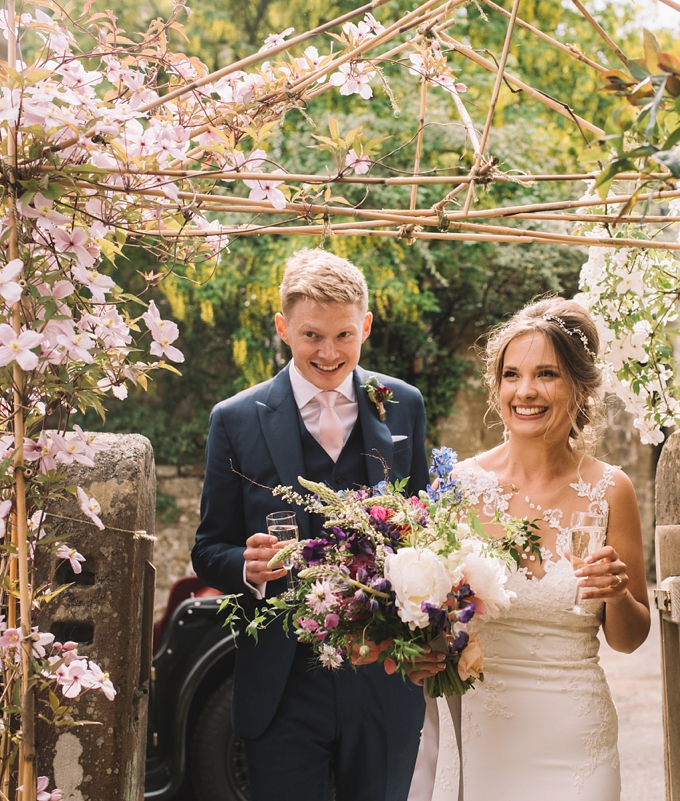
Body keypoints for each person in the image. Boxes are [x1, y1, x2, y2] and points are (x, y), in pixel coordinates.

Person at [191, 248, 430, 801]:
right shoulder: (235, 418)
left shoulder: (404, 406)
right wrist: (247, 567)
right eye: (311, 336)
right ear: (282, 328)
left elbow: (424, 526)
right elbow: (208, 549)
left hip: (383, 675)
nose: (328, 352)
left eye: (344, 335)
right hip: (283, 680)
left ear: (366, 325)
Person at [413, 297, 652, 800]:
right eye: (511, 375)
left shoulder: (613, 490)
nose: (525, 391)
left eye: (547, 374)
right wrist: (421, 655)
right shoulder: (459, 485)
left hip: (578, 740)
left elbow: (629, 639)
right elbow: (435, 623)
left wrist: (616, 594)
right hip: (486, 737)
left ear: (581, 387)